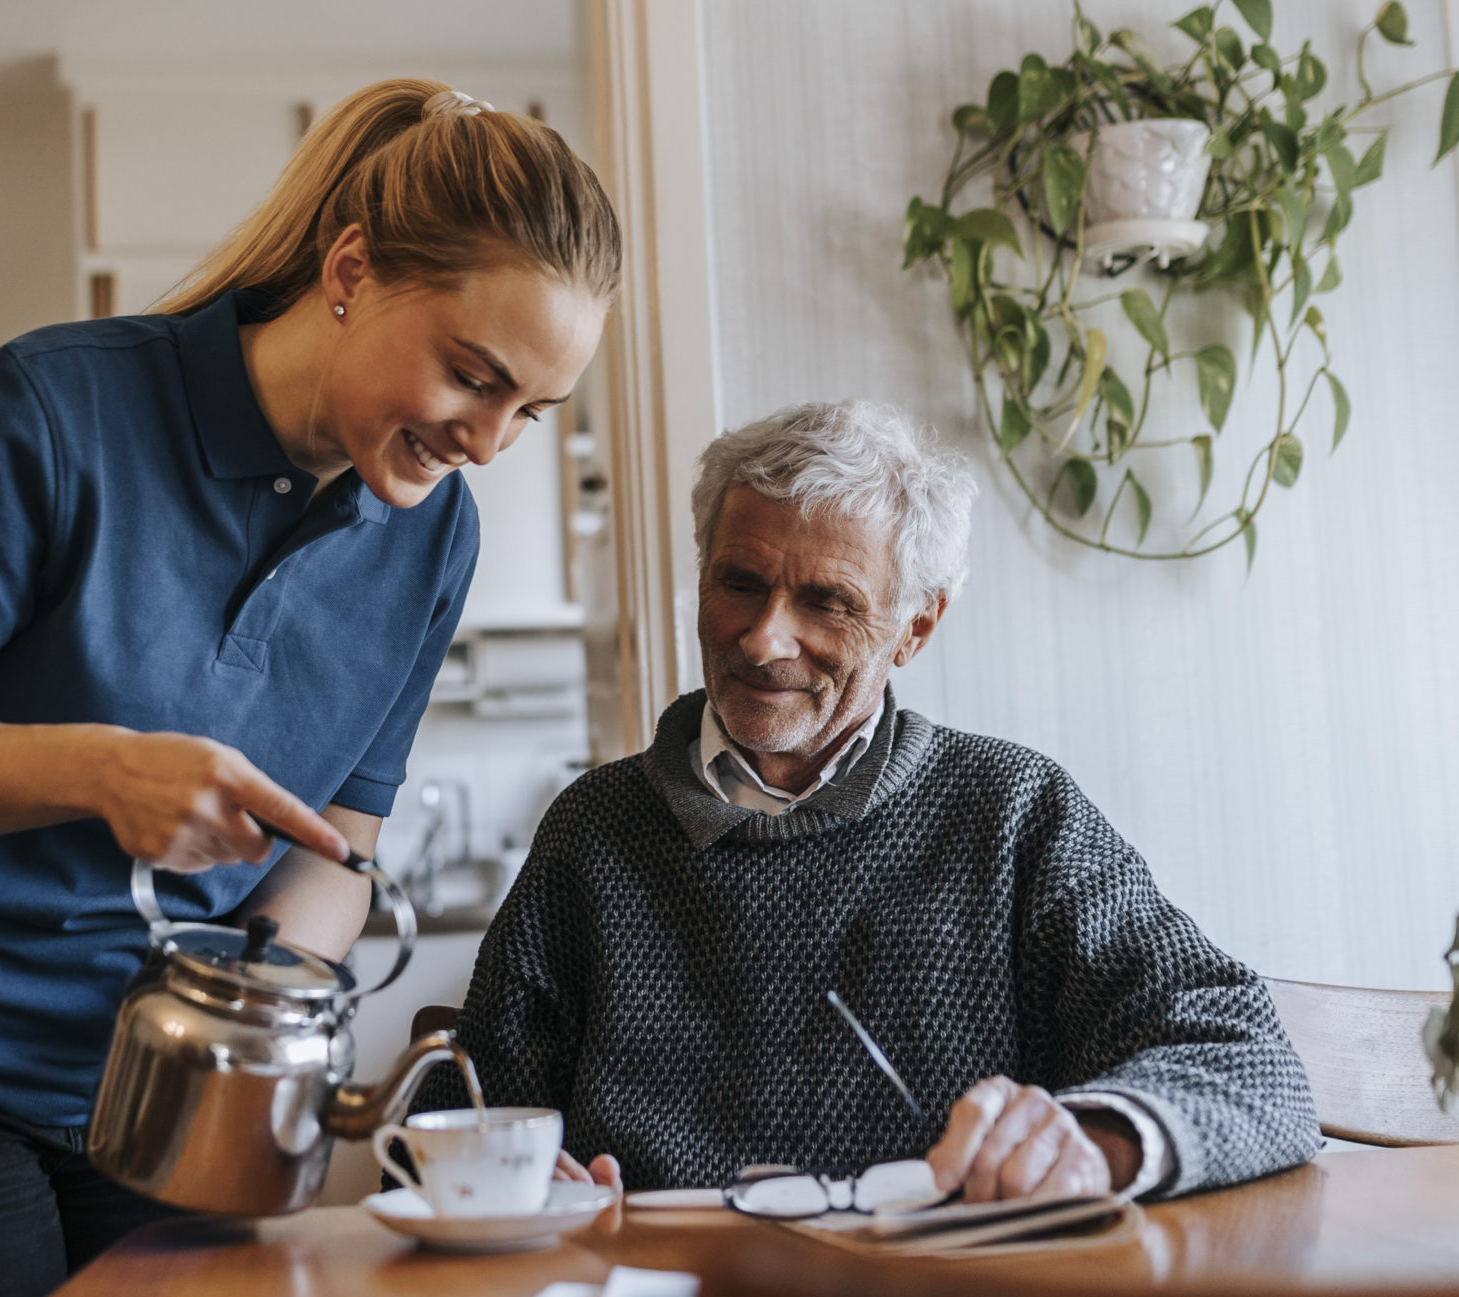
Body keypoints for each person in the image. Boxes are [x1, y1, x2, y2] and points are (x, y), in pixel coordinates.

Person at [0, 81, 620, 1297]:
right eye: (471, 374)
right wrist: (101, 768)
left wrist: (270, 993)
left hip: (160, 1099)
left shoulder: (432, 539)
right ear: (350, 272)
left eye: (534, 408)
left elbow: (344, 841)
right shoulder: (50, 408)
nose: (487, 441)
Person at [422, 400, 1319, 1202]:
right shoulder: (594, 830)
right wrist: (512, 1176)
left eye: (827, 601)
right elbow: (451, 1116)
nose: (766, 637)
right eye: (740, 581)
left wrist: (1094, 1142)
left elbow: (1253, 1062)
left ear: (914, 628)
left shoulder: (1013, 813)